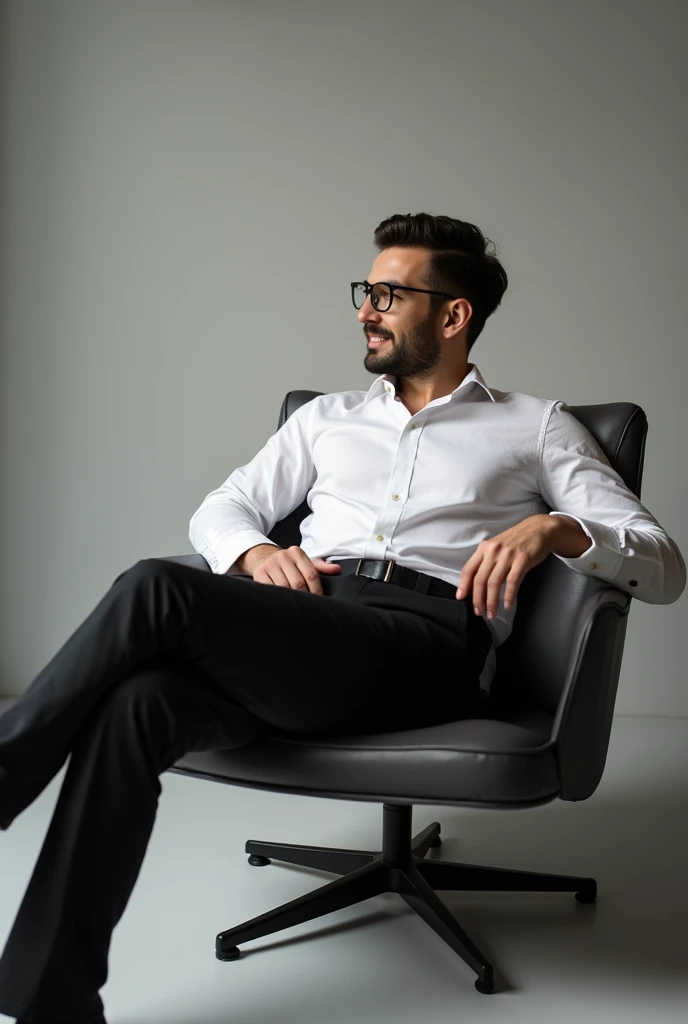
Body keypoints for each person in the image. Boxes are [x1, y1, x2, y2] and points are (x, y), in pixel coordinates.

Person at [0, 212, 684, 1023]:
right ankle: (53, 997)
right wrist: (255, 555)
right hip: (312, 633)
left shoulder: (533, 425)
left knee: (156, 588)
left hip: (427, 646)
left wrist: (556, 528)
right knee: (135, 705)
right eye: (367, 290)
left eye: (389, 294)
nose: (366, 308)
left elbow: (661, 563)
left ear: (453, 314)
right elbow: (225, 507)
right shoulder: (325, 418)